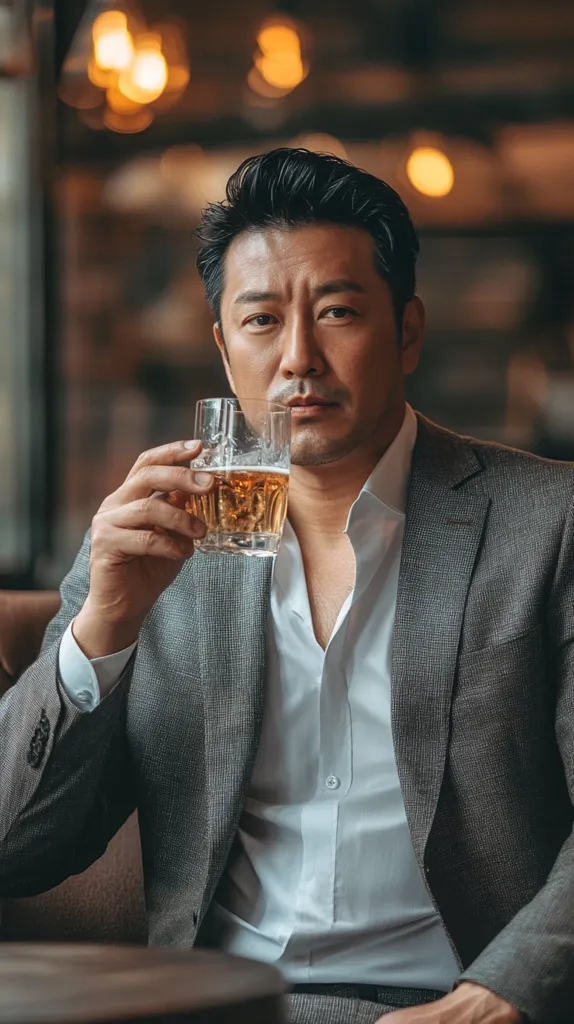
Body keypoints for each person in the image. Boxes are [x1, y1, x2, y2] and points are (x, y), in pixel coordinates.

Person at [1, 149, 573, 1024]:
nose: (299, 358)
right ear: (224, 347)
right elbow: (17, 850)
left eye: (338, 312)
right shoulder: (153, 537)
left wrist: (504, 995)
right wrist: (102, 630)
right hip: (220, 1006)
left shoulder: (549, 523)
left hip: (456, 1003)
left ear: (408, 331)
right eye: (262, 320)